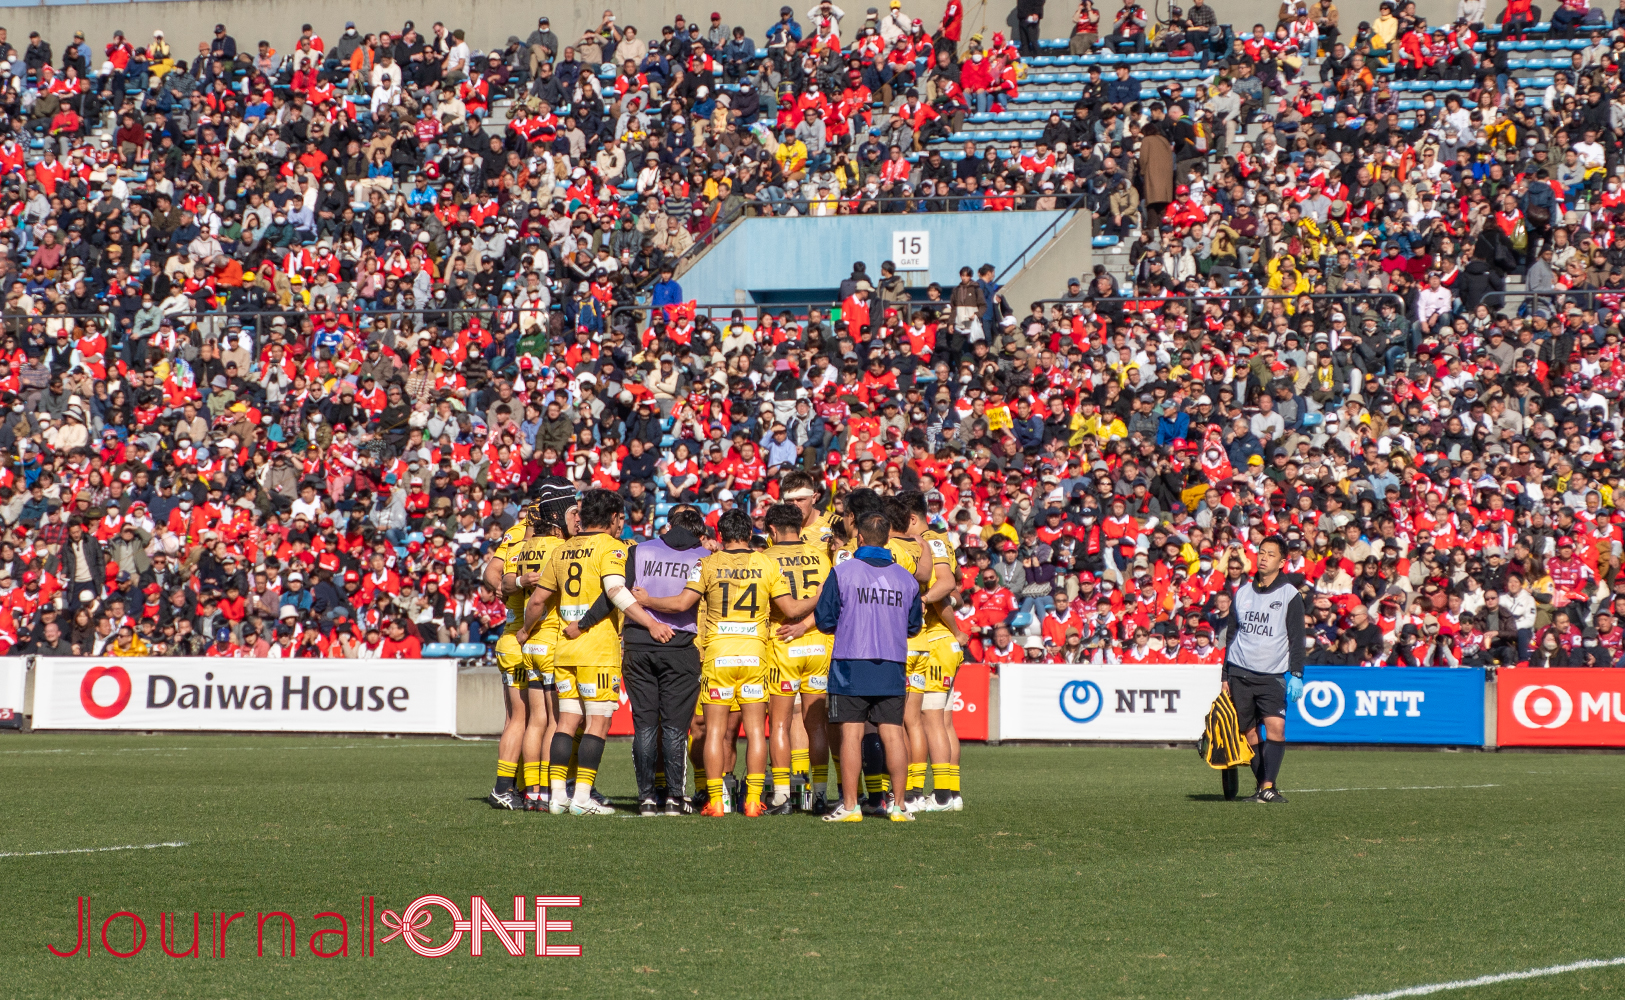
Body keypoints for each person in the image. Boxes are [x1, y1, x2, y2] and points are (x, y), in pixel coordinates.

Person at [637, 508, 816, 817]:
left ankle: (717, 801)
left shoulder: (706, 563)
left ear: (720, 535)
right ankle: (753, 802)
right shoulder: (767, 562)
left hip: (718, 654)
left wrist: (647, 600)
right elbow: (791, 607)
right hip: (754, 655)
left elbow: (681, 603)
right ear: (749, 534)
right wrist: (823, 593)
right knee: (757, 732)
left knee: (715, 732)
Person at [524, 488, 675, 816]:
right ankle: (580, 799)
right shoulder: (611, 547)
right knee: (596, 724)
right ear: (614, 519)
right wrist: (650, 623)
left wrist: (524, 630)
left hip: (564, 649)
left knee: (566, 722)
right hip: (597, 650)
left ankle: (556, 798)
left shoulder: (562, 550)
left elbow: (537, 601)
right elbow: (616, 591)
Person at [814, 509, 923, 822]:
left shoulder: (843, 572)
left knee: (850, 735)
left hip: (850, 661)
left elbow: (824, 619)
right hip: (891, 662)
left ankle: (850, 807)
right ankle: (900, 806)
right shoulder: (906, 577)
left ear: (858, 537)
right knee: (893, 734)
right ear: (889, 538)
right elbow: (914, 626)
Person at [621, 504, 709, 816]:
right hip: (680, 645)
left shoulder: (640, 550)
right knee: (674, 727)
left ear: (669, 526)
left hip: (638, 642)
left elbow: (624, 594)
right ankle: (675, 798)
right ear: (698, 531)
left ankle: (645, 798)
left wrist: (647, 622)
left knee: (644, 726)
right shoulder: (704, 557)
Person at [884, 491, 966, 811]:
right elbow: (952, 587)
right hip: (943, 641)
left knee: (921, 720)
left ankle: (928, 794)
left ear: (912, 519)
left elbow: (945, 587)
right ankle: (950, 793)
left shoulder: (926, 542)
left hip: (932, 638)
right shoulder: (940, 540)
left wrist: (921, 601)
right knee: (942, 721)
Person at [509, 478, 580, 811]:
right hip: (550, 638)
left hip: (530, 647)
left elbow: (512, 583)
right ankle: (554, 791)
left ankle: (533, 791)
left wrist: (524, 631)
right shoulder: (559, 549)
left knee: (535, 721)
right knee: (555, 721)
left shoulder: (526, 546)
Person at [1221, 536, 1305, 804]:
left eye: (1271, 554)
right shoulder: (1242, 592)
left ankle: (1268, 785)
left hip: (1271, 676)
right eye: (1261, 552)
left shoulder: (1290, 594)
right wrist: (1225, 676)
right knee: (1249, 733)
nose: (1264, 557)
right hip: (1239, 673)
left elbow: (1297, 638)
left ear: (1282, 562)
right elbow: (1231, 636)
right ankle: (1263, 788)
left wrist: (1297, 675)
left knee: (1276, 728)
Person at [764, 501, 834, 813]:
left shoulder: (764, 558)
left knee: (779, 723)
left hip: (782, 643)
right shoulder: (821, 557)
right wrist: (807, 624)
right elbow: (831, 605)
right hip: (818, 644)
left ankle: (781, 796)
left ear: (772, 530)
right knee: (815, 724)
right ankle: (819, 795)